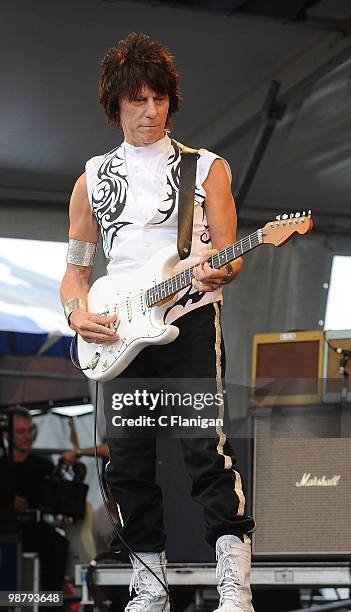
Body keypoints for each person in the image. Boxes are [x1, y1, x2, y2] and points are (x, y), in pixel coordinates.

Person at [60, 32, 255, 612]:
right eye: (137, 101)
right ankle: (150, 583)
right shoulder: (91, 179)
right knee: (126, 461)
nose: (151, 112)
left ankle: (234, 584)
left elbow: (230, 254)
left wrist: (219, 271)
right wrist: (77, 313)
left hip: (190, 321)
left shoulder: (206, 168)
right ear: (114, 106)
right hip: (120, 334)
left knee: (204, 449)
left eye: (160, 99)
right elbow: (75, 273)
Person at [1, 406, 68, 606]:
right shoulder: (2, 466)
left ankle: (48, 604)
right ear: (6, 434)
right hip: (5, 529)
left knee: (57, 544)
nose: (28, 436)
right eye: (21, 432)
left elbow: (56, 502)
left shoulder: (43, 465)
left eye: (30, 430)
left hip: (33, 530)